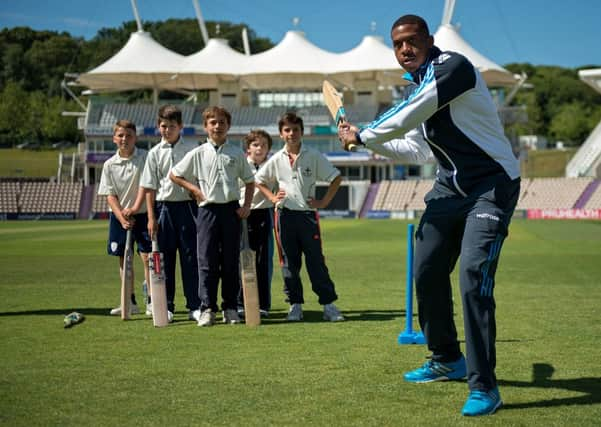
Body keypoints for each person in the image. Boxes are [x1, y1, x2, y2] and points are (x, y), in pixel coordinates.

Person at [338, 14, 520, 416]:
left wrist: (363, 134)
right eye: (398, 44)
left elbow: (405, 116)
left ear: (429, 40)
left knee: (473, 278)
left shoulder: (452, 67)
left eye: (412, 40)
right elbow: (417, 150)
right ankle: (446, 359)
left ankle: (484, 386)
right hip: (448, 188)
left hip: (491, 185)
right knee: (426, 270)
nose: (405, 49)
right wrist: (364, 145)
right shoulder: (420, 85)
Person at [255, 112, 345, 322]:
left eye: (295, 129)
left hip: (307, 216)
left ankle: (328, 305)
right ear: (281, 134)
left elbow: (336, 178)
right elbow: (258, 180)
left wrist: (323, 203)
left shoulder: (313, 155)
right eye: (287, 130)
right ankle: (295, 305)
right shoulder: (276, 159)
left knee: (316, 262)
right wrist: (273, 197)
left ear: (302, 132)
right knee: (289, 263)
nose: (292, 134)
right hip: (284, 217)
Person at [170, 106, 255, 327]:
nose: (217, 126)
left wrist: (246, 206)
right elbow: (175, 175)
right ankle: (207, 308)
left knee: (230, 262)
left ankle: (230, 308)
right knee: (206, 261)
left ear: (228, 126)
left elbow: (250, 181)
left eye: (222, 123)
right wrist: (195, 190)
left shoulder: (236, 153)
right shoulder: (198, 153)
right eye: (213, 123)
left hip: (231, 210)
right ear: (206, 126)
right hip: (207, 211)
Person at [138, 104, 201, 323]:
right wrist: (151, 217)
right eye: (163, 126)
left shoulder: (192, 149)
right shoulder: (154, 153)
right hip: (163, 208)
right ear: (158, 126)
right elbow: (150, 187)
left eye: (171, 126)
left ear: (180, 126)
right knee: (164, 260)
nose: (167, 130)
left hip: (188, 208)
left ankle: (195, 305)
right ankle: (167, 306)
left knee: (190, 258)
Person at [97, 119, 151, 316]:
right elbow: (110, 196)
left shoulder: (145, 157)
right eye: (121, 135)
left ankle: (152, 300)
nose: (125, 139)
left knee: (147, 258)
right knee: (124, 258)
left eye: (129, 135)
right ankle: (129, 301)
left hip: (143, 214)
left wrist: (135, 208)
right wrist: (121, 217)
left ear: (135, 137)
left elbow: (147, 187)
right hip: (119, 217)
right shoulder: (109, 165)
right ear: (114, 138)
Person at [237, 129, 275, 318]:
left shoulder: (272, 166)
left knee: (263, 261)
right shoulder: (241, 165)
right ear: (248, 148)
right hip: (243, 216)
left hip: (264, 215)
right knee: (241, 260)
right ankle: (239, 303)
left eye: (264, 145)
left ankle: (263, 305)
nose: (260, 148)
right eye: (255, 144)